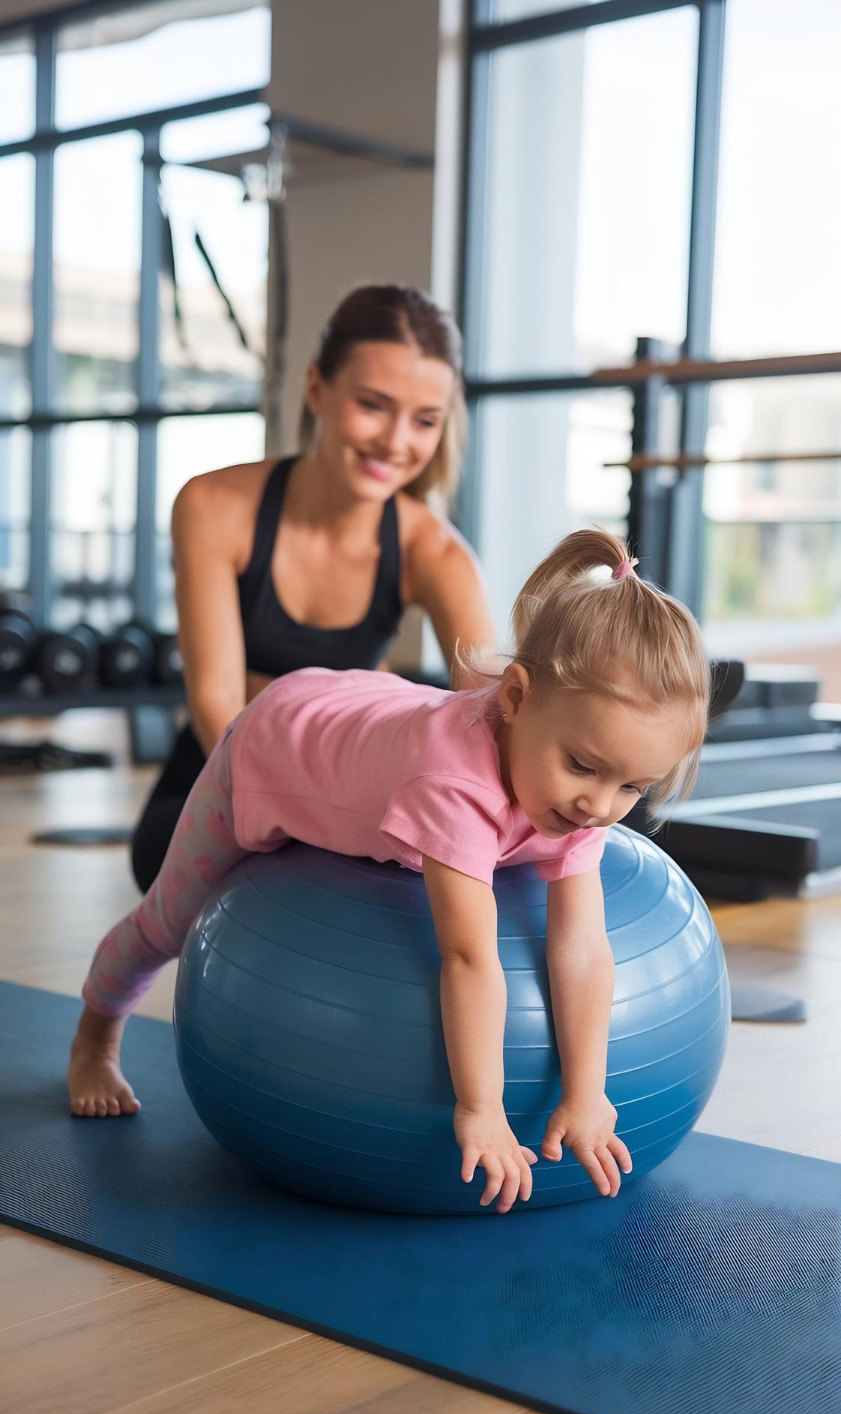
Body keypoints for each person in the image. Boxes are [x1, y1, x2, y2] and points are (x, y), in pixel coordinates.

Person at [69, 530, 711, 1214]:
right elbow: (468, 957)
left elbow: (581, 946)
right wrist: (481, 1108)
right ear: (516, 698)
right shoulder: (452, 786)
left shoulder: (583, 791)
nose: (598, 807)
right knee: (168, 919)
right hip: (276, 741)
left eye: (631, 787)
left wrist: (587, 1094)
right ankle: (94, 1036)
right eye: (582, 767)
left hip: (373, 710)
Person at [131, 283, 495, 892]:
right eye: (373, 405)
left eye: (425, 420)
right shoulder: (212, 506)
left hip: (351, 778)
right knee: (164, 855)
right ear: (317, 389)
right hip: (227, 769)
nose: (396, 441)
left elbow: (489, 721)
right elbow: (218, 708)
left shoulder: (437, 553)